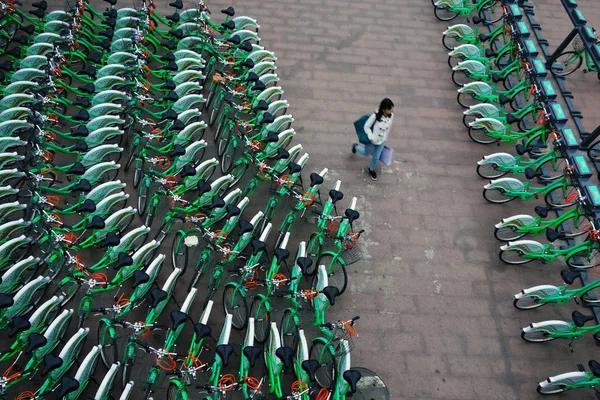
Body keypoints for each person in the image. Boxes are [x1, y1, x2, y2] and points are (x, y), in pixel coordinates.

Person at [352, 98, 394, 181]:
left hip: (381, 141)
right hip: (372, 141)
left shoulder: (391, 116)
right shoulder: (375, 116)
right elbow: (366, 126)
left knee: (376, 156)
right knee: (366, 153)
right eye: (389, 109)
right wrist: (371, 136)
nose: (391, 111)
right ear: (383, 109)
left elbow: (389, 127)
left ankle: (371, 169)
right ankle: (355, 146)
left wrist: (385, 138)